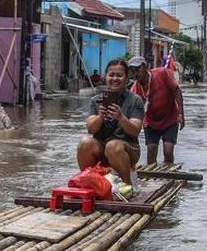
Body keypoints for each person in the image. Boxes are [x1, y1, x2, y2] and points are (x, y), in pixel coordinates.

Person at [77, 58, 144, 187]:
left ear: (126, 78)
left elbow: (135, 130)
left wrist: (121, 117)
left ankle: (127, 185)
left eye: (119, 75)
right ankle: (90, 182)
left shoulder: (136, 100)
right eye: (111, 75)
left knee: (113, 146)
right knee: (84, 143)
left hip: (128, 148)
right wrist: (100, 117)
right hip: (102, 146)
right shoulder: (96, 100)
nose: (115, 79)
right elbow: (91, 129)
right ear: (106, 77)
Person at [128, 56, 185, 165]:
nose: (136, 73)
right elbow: (133, 110)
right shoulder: (135, 88)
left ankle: (168, 174)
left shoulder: (162, 73)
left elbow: (177, 91)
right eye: (133, 71)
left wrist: (181, 114)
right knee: (151, 150)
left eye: (138, 70)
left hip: (170, 119)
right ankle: (152, 178)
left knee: (168, 151)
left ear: (145, 68)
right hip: (151, 121)